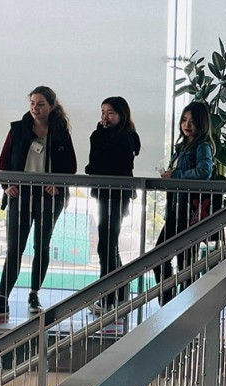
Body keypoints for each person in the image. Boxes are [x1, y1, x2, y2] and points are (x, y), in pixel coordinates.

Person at [0, 86, 77, 319]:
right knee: (14, 248)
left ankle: (34, 294)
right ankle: (2, 300)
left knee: (41, 246)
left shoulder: (60, 132)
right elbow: (4, 161)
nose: (35, 108)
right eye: (32, 103)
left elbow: (70, 166)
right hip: (20, 197)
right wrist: (7, 185)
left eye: (40, 104)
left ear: (51, 106)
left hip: (49, 198)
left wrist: (59, 185)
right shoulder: (18, 129)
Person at [153, 101, 214, 305]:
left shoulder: (202, 146)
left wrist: (176, 174)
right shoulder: (181, 148)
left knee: (184, 263)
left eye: (193, 121)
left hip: (188, 213)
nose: (187, 124)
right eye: (184, 120)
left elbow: (204, 172)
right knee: (162, 259)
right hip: (175, 210)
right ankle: (170, 304)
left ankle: (180, 307)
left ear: (202, 123)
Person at [85, 97, 141, 313]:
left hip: (117, 194)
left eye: (110, 113)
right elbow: (94, 162)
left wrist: (97, 167)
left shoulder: (127, 137)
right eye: (103, 112)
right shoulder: (99, 135)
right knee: (108, 243)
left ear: (121, 115)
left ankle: (108, 296)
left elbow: (114, 165)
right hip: (103, 193)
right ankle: (117, 292)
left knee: (107, 244)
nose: (105, 117)